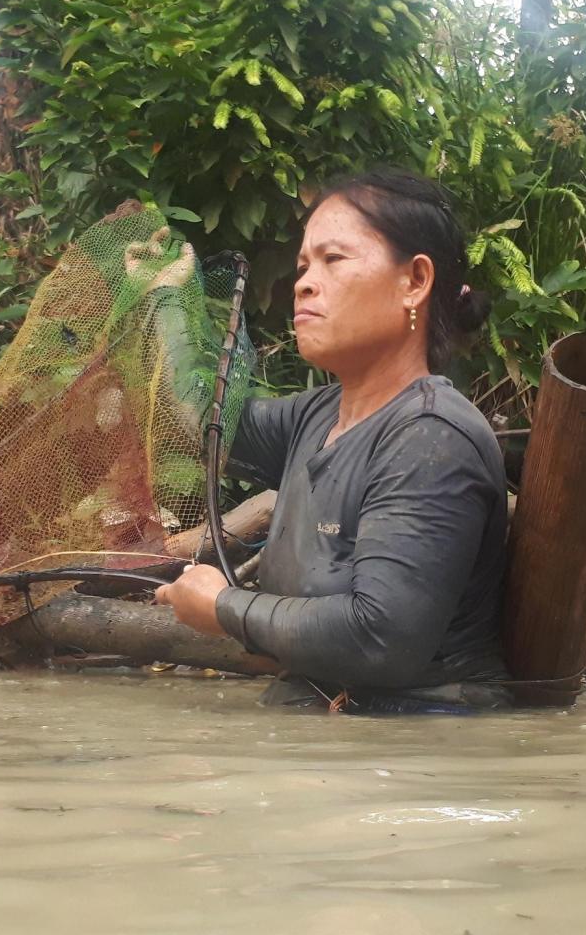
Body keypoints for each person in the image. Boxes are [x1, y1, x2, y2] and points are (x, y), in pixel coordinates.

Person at [155, 169, 510, 712]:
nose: (303, 283)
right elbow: (198, 422)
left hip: (419, 742)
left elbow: (380, 636)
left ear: (414, 281)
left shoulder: (430, 436)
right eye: (303, 266)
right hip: (333, 733)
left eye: (333, 259)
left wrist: (224, 607)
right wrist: (166, 299)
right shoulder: (318, 416)